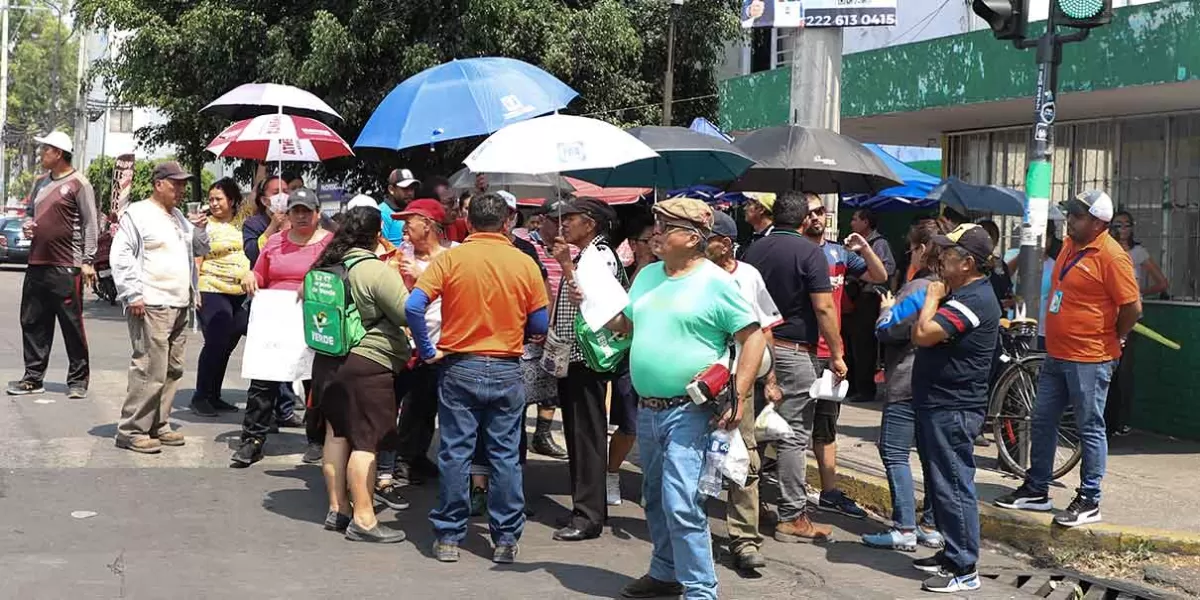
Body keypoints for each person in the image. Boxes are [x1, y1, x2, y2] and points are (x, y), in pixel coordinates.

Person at [601, 198, 766, 600]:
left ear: (692, 238)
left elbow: (754, 337)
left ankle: (700, 589)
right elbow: (627, 326)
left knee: (680, 501)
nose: (654, 233)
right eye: (656, 224)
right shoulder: (647, 274)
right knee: (654, 497)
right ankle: (665, 572)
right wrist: (602, 304)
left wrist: (739, 394)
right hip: (650, 409)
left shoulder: (715, 283)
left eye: (664, 227)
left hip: (690, 411)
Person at [407, 192, 549, 564]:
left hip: (459, 365)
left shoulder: (452, 258)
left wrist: (425, 349)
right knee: (505, 455)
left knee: (456, 452)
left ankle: (450, 536)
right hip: (506, 366)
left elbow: (414, 305)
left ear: (469, 223)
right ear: (507, 224)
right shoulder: (524, 263)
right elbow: (539, 323)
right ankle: (505, 538)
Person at [994, 190, 1141, 528]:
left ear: (1097, 222)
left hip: (1090, 357)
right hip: (1057, 353)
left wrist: (1115, 336)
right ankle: (1036, 489)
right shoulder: (1070, 248)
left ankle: (1089, 499)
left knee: (1089, 427)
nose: (1070, 221)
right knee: (1042, 420)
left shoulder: (1111, 256)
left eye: (1076, 216)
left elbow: (1133, 307)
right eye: (1070, 215)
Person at [742, 191, 845, 543]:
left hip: (754, 348)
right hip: (792, 351)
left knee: (754, 429)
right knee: (793, 434)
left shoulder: (753, 249)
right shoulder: (809, 252)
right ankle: (792, 515)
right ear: (803, 221)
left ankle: (750, 505)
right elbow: (825, 308)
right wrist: (837, 352)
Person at [907, 223, 1000, 594]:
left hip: (953, 406)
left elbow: (923, 334)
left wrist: (931, 298)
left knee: (953, 486)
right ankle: (951, 553)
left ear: (969, 263)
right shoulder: (963, 294)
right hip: (937, 402)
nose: (942, 258)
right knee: (939, 482)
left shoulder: (973, 299)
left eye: (949, 253)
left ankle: (965, 567)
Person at [310, 206, 412, 543]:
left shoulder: (325, 264)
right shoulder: (373, 270)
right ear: (376, 234)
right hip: (365, 364)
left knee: (337, 434)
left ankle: (337, 509)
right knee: (366, 441)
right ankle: (364, 519)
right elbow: (405, 312)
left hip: (327, 361)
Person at [111, 161, 210, 454]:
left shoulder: (178, 217)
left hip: (179, 302)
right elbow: (121, 254)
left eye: (182, 184)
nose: (180, 189)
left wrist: (200, 229)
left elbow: (199, 250)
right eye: (175, 183)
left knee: (172, 369)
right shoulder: (139, 213)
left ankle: (158, 422)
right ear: (158, 184)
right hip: (150, 302)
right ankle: (131, 429)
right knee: (149, 368)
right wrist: (132, 293)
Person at [231, 188, 333, 468]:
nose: (300, 216)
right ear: (287, 214)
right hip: (275, 317)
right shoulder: (275, 242)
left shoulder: (331, 244)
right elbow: (261, 272)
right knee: (264, 380)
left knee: (315, 381)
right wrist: (251, 276)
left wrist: (312, 284)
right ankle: (252, 439)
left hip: (315, 319)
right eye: (295, 211)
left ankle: (317, 439)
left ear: (318, 214)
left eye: (306, 211)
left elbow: (339, 279)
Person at [546, 197, 628, 543]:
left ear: (591, 223)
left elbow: (599, 306)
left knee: (587, 435)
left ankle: (588, 515)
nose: (564, 223)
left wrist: (566, 265)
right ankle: (585, 508)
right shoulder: (589, 254)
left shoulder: (598, 257)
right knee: (580, 435)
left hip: (587, 359)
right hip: (574, 358)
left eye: (573, 218)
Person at [801, 195, 888, 518]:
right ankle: (785, 493)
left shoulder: (838, 253)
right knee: (789, 427)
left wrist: (865, 248)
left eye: (820, 211)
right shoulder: (796, 251)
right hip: (799, 352)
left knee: (826, 426)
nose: (816, 218)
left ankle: (829, 491)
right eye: (809, 213)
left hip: (831, 355)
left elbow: (878, 276)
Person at [861, 221, 944, 552]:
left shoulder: (918, 289)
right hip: (936, 386)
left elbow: (889, 330)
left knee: (894, 451)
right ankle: (931, 525)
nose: (909, 255)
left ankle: (905, 527)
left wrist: (885, 311)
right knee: (930, 457)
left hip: (907, 379)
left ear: (922, 250)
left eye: (911, 249)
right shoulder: (950, 287)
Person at [706, 210, 781, 571]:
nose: (702, 244)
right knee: (697, 458)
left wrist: (771, 377)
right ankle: (692, 534)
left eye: (709, 238)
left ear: (725, 243)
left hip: (741, 380)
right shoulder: (691, 276)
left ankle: (744, 539)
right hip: (698, 381)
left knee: (744, 458)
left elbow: (765, 329)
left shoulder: (749, 275)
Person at [8, 131, 98, 399]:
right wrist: (27, 226)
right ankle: (33, 377)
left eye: (45, 149)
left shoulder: (79, 184)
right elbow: (30, 214)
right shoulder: (40, 183)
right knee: (33, 321)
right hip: (37, 263)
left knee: (71, 323)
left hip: (66, 265)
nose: (41, 154)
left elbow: (91, 223)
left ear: (58, 153)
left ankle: (78, 379)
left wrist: (88, 260)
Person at [385, 199, 457, 498]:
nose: (403, 228)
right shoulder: (402, 254)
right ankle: (397, 459)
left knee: (430, 404)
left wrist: (421, 276)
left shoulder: (456, 254)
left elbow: (462, 291)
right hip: (408, 342)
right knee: (405, 402)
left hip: (445, 343)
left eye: (409, 221)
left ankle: (417, 456)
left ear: (427, 224)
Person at [241, 175, 306, 430]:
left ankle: (287, 409)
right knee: (269, 362)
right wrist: (272, 228)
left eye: (286, 190)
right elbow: (253, 254)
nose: (282, 195)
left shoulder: (299, 224)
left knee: (294, 358)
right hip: (268, 302)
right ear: (263, 198)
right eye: (276, 191)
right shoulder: (254, 223)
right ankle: (261, 422)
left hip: (298, 303)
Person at [190, 179, 251, 417]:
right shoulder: (205, 224)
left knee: (227, 344)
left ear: (233, 200)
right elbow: (197, 257)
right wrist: (194, 289)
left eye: (219, 199)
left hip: (239, 291)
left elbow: (257, 190)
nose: (213, 203)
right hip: (211, 287)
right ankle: (200, 396)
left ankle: (214, 395)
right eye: (211, 199)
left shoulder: (243, 221)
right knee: (216, 341)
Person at [1105, 210, 1167, 437]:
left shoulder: (1137, 253)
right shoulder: (1106, 249)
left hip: (1129, 318)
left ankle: (1120, 420)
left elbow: (1162, 282)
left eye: (1126, 224)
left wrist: (1138, 293)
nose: (1121, 229)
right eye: (1117, 224)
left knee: (1123, 372)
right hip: (1106, 315)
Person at [844, 208, 897, 403]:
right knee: (851, 345)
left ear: (866, 222)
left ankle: (865, 389)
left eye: (855, 219)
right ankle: (851, 386)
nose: (852, 223)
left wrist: (865, 276)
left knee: (864, 346)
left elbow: (887, 269)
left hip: (868, 299)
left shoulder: (879, 243)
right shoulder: (851, 244)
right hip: (853, 301)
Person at [378, 168, 420, 246]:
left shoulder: (413, 211)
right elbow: (381, 247)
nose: (410, 193)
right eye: (405, 188)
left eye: (412, 188)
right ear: (391, 189)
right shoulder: (382, 213)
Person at [737, 192, 775, 258]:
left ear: (761, 209)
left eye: (749, 204)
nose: (745, 208)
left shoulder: (773, 238)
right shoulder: (754, 237)